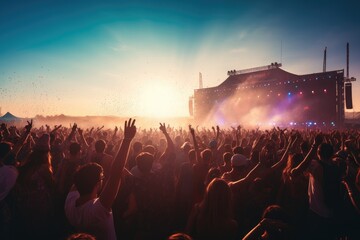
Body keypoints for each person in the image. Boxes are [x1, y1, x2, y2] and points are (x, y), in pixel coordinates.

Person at [65, 119, 136, 240]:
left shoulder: (69, 202)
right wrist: (127, 140)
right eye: (102, 178)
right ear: (97, 184)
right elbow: (115, 174)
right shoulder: (97, 210)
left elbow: (80, 177)